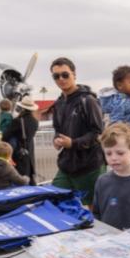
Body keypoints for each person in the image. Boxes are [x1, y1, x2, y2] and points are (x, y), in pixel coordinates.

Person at [50, 57, 105, 207]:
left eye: (65, 74)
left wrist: (73, 143)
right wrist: (56, 139)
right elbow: (57, 129)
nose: (61, 79)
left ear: (74, 75)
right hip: (67, 165)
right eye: (56, 76)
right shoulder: (59, 103)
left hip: (90, 165)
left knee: (95, 209)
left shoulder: (88, 100)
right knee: (53, 200)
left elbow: (98, 133)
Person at [99, 65, 130, 152]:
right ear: (120, 85)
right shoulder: (120, 101)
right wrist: (121, 132)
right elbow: (116, 119)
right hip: (124, 131)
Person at [2, 96, 39, 185]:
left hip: (19, 152)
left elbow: (6, 135)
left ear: (22, 107)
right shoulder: (35, 121)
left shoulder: (18, 121)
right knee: (29, 176)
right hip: (29, 150)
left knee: (19, 178)